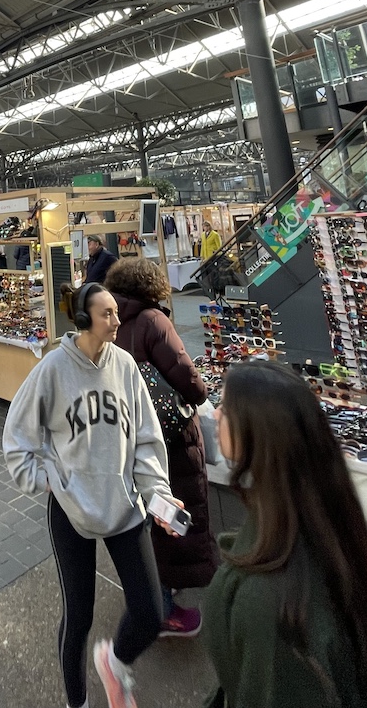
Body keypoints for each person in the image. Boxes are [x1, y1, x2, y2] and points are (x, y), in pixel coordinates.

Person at [3, 281, 183, 708]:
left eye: (116, 312)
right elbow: (17, 435)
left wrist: (157, 490)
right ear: (83, 319)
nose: (117, 320)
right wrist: (45, 479)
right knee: (78, 618)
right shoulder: (51, 370)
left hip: (124, 505)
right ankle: (77, 701)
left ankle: (115, 664)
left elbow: (145, 437)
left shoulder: (124, 365)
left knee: (150, 611)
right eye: (107, 313)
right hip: (71, 511)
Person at [203, 362, 367, 708]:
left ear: (256, 433)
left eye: (225, 407)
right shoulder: (329, 529)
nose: (217, 414)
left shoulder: (266, 601)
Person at [107, 257, 217, 637]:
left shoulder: (109, 320)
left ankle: (152, 597)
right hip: (167, 437)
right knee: (172, 513)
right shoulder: (153, 321)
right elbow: (190, 381)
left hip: (129, 436)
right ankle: (163, 606)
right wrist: (200, 395)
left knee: (148, 513)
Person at [198, 221, 223, 300]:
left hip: (212, 257)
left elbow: (219, 246)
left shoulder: (215, 235)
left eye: (205, 226)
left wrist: (215, 252)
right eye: (203, 227)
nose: (204, 228)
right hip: (205, 257)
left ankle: (214, 291)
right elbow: (202, 246)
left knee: (213, 275)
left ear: (209, 226)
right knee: (206, 275)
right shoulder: (202, 235)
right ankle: (208, 291)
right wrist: (202, 257)